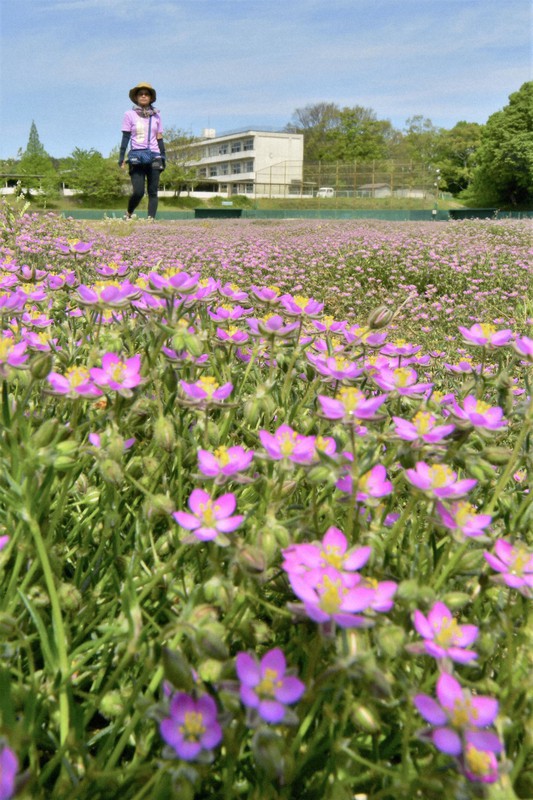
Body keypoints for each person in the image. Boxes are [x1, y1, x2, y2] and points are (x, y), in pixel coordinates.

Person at [118, 82, 166, 219]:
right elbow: (126, 137)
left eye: (147, 94)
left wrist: (163, 157)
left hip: (155, 155)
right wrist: (121, 157)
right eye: (141, 94)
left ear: (151, 97)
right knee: (138, 192)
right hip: (137, 156)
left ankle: (150, 221)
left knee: (153, 191)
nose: (144, 96)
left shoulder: (157, 115)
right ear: (136, 97)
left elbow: (159, 137)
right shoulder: (129, 114)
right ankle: (129, 212)